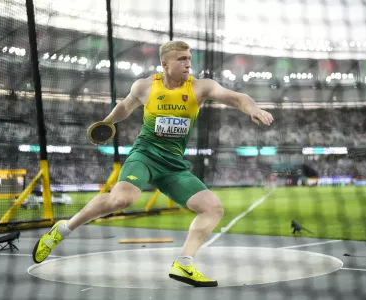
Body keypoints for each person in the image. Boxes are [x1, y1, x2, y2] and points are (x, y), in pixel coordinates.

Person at [32, 40, 274, 287]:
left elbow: (236, 98)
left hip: (173, 166)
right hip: (144, 156)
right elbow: (125, 107)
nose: (188, 63)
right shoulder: (145, 86)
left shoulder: (201, 88)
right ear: (164, 64)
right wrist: (107, 123)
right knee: (121, 200)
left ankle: (184, 264)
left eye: (189, 58)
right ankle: (63, 229)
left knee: (213, 208)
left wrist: (252, 108)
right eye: (181, 59)